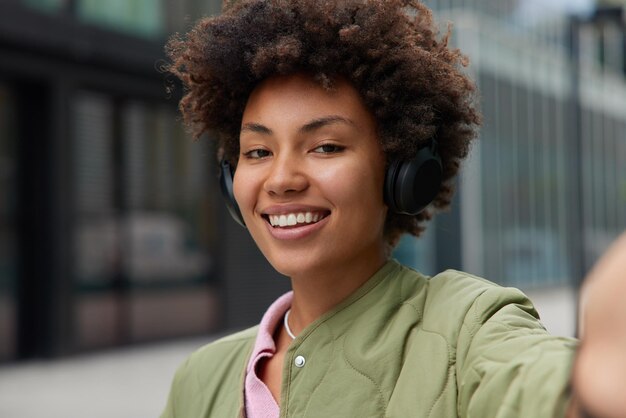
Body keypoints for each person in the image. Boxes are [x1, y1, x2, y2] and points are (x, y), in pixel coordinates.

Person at [161, 1, 626, 417]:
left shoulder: (467, 331)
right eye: (258, 152)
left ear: (402, 170)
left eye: (324, 146)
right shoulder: (201, 379)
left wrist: (594, 382)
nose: (281, 180)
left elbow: (545, 387)